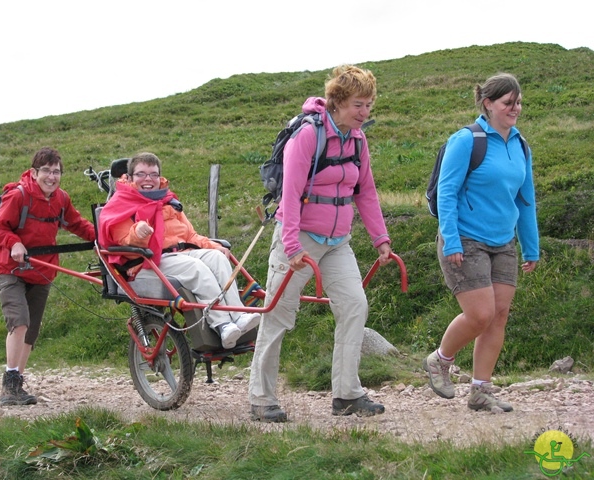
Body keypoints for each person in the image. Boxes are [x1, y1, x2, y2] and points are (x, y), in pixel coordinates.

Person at [248, 65, 394, 422]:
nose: (365, 112)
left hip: (337, 242)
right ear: (338, 102)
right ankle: (261, 398)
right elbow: (292, 193)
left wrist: (381, 238)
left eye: (369, 105)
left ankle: (347, 394)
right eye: (359, 104)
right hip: (297, 239)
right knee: (279, 316)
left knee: (354, 305)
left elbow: (367, 191)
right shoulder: (308, 136)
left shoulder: (358, 139)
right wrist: (292, 246)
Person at [423, 73, 540, 413]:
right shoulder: (466, 140)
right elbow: (446, 192)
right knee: (480, 314)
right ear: (488, 104)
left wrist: (531, 247)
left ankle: (480, 390)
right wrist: (452, 239)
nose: (514, 108)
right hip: (465, 238)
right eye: (508, 103)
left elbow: (525, 198)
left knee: (499, 315)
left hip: (504, 240)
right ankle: (440, 359)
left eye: (518, 102)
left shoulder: (520, 145)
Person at [97, 152, 260, 349]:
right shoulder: (121, 205)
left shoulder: (168, 201)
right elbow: (124, 244)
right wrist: (138, 234)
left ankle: (239, 315)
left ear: (160, 177)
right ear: (130, 178)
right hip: (149, 261)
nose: (148, 179)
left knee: (217, 258)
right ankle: (222, 324)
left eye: (153, 174)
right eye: (141, 174)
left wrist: (213, 246)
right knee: (196, 268)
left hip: (181, 253)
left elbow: (190, 236)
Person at [0, 147, 96, 406]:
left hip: (42, 270)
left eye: (56, 171)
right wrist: (14, 243)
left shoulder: (61, 199)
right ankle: (9, 385)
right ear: (35, 172)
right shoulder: (18, 196)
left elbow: (77, 224)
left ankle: (18, 386)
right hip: (11, 270)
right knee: (20, 322)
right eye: (46, 171)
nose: (51, 176)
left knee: (31, 331)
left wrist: (101, 238)